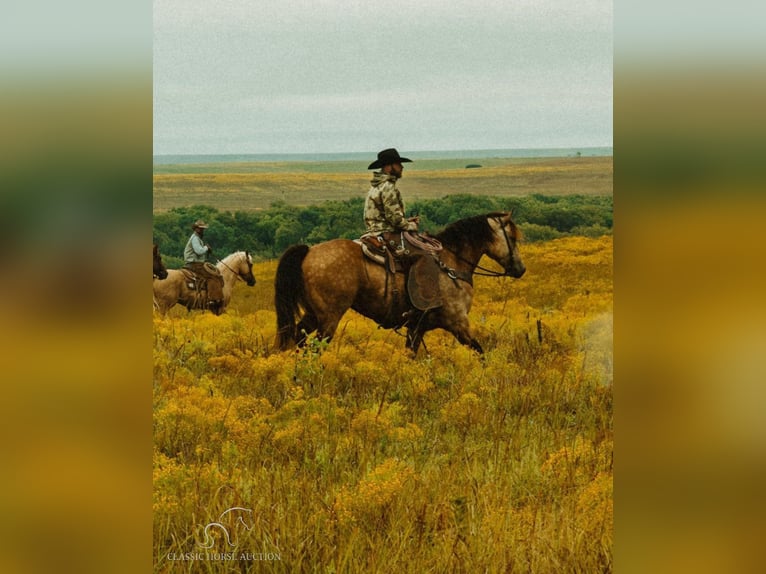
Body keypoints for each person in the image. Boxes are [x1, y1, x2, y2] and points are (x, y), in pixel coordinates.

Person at [363, 148, 420, 237]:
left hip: (372, 232)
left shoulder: (375, 186)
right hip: (385, 232)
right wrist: (411, 226)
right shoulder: (388, 186)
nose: (402, 167)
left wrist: (406, 220)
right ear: (388, 167)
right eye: (398, 164)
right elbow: (394, 218)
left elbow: (384, 216)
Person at [183, 219, 224, 309]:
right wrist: (206, 248)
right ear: (196, 229)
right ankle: (212, 299)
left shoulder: (196, 238)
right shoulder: (195, 239)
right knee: (213, 276)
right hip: (194, 263)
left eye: (203, 229)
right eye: (200, 229)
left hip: (195, 262)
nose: (202, 230)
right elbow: (199, 251)